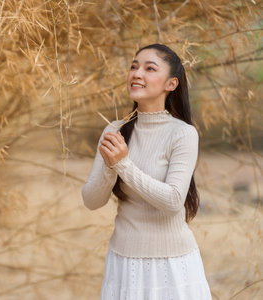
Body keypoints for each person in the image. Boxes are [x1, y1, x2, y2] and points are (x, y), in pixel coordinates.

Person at [81, 44, 212, 299]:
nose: (137, 73)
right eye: (133, 66)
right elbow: (91, 200)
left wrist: (123, 164)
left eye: (149, 68)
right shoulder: (115, 131)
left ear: (171, 84)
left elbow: (173, 200)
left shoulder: (182, 134)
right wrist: (111, 167)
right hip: (123, 263)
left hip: (172, 264)